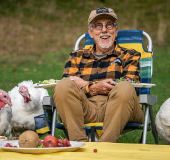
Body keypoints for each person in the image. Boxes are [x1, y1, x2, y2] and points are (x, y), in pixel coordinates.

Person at [53, 7, 144, 142]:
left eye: (109, 25)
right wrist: (95, 87)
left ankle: (105, 147)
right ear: (91, 32)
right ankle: (79, 144)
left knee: (125, 87)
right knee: (62, 85)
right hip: (85, 109)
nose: (104, 30)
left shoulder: (130, 55)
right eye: (98, 26)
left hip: (120, 108)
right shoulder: (76, 56)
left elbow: (129, 82)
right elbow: (69, 84)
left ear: (116, 30)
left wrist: (83, 84)